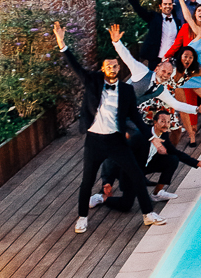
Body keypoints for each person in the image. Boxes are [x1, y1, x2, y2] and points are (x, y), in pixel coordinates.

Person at [52, 21, 164, 234]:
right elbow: (75, 66)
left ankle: (148, 215)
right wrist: (61, 43)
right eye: (108, 66)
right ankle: (82, 217)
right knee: (87, 181)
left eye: (115, 66)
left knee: (137, 176)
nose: (112, 69)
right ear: (103, 69)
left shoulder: (127, 91)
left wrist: (152, 137)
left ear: (119, 67)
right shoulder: (93, 81)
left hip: (116, 141)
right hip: (94, 140)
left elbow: (137, 119)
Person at [94, 109, 201, 211]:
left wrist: (198, 163)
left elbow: (175, 152)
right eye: (162, 121)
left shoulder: (163, 135)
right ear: (155, 122)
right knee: (126, 206)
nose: (166, 124)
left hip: (144, 167)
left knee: (172, 159)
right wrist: (107, 181)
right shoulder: (139, 136)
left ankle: (157, 193)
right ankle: (100, 198)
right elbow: (113, 156)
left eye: (168, 122)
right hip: (129, 172)